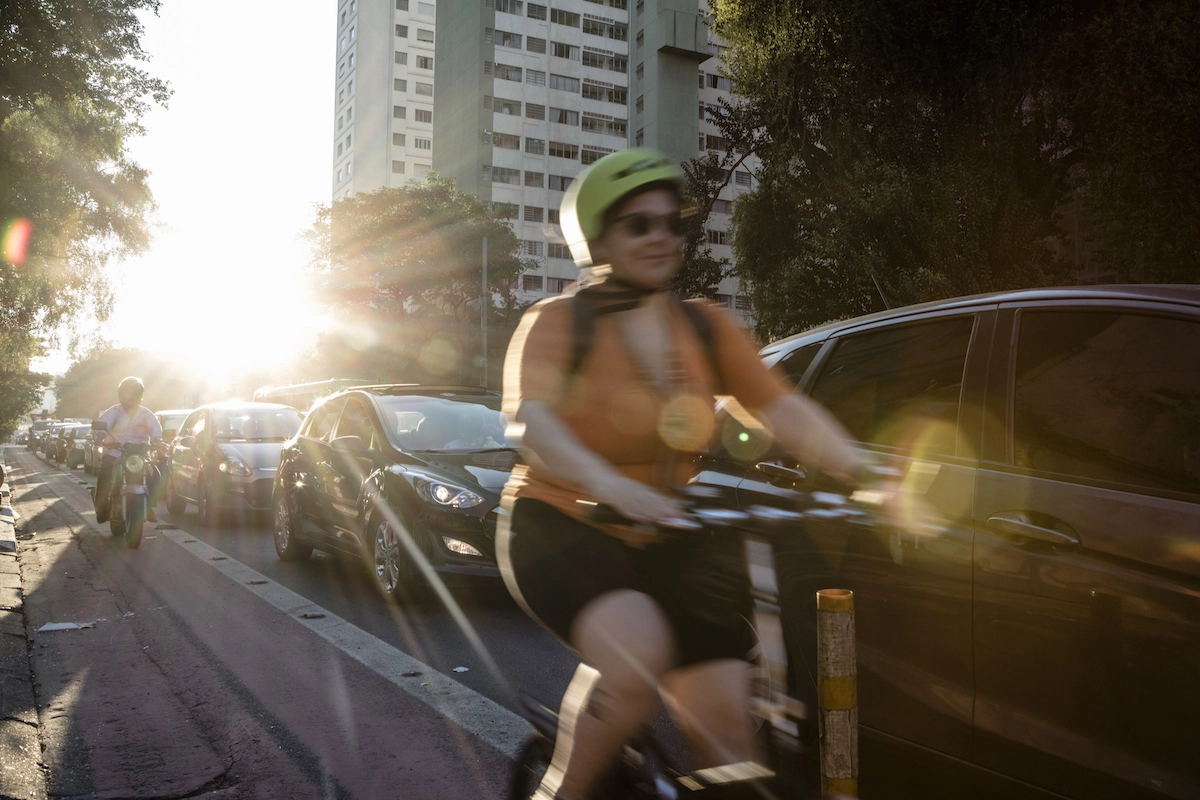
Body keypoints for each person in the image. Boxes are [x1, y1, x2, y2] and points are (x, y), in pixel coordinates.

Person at [498, 149, 864, 800]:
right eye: (638, 224)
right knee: (637, 660)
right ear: (597, 239)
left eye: (673, 223)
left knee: (729, 731)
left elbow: (782, 408)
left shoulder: (705, 325)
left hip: (669, 528)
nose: (661, 237)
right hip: (560, 524)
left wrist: (865, 470)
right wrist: (610, 485)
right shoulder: (556, 323)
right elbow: (534, 424)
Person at [94, 377, 162, 525]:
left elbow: (155, 429)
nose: (131, 397)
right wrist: (100, 436)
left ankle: (148, 506)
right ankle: (102, 506)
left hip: (139, 455)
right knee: (105, 471)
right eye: (128, 393)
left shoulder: (146, 414)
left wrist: (158, 440)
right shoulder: (114, 411)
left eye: (135, 393)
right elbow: (103, 425)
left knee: (156, 474)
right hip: (115, 453)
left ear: (140, 395)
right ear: (121, 395)